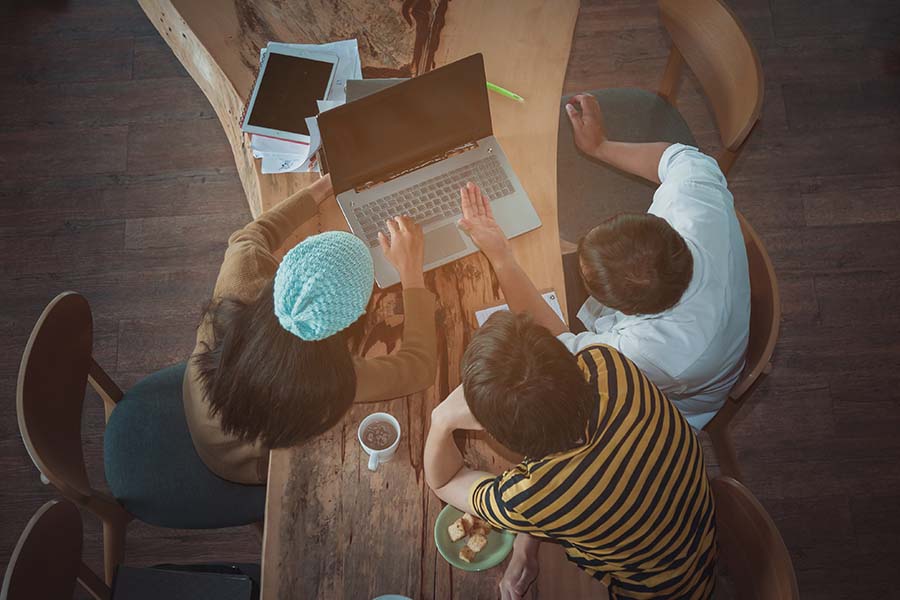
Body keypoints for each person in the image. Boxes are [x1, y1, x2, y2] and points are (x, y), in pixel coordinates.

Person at [423, 184, 717, 599]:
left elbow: (444, 479)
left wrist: (441, 419)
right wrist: (529, 537)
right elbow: (556, 340)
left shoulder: (531, 496)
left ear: (504, 436)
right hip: (690, 529)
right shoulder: (609, 365)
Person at [184, 175, 437, 484]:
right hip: (236, 460)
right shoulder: (329, 381)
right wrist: (411, 273)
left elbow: (252, 234)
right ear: (354, 321)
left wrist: (321, 188)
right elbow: (420, 368)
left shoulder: (239, 279)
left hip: (203, 403)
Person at [560, 93, 751, 430]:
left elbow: (569, 354)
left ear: (628, 311)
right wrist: (599, 146)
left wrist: (504, 260)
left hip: (667, 411)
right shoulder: (693, 192)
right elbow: (675, 157)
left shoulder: (651, 350)